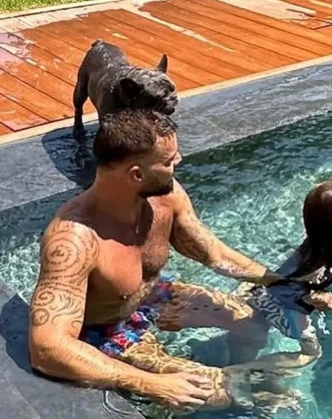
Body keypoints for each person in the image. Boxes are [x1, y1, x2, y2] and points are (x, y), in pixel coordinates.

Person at [28, 109, 294, 414]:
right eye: (168, 161)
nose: (178, 163)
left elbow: (215, 255)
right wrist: (147, 384)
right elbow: (47, 348)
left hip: (152, 298)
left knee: (253, 322)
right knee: (217, 392)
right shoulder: (74, 239)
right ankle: (216, 395)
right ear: (137, 175)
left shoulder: (165, 197)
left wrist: (285, 283)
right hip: (105, 329)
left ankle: (237, 373)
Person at [236, 179, 332, 367]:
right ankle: (247, 369)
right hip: (278, 302)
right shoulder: (317, 269)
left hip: (264, 288)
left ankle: (245, 346)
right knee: (311, 353)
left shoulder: (322, 237)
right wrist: (315, 298)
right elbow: (287, 292)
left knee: (253, 334)